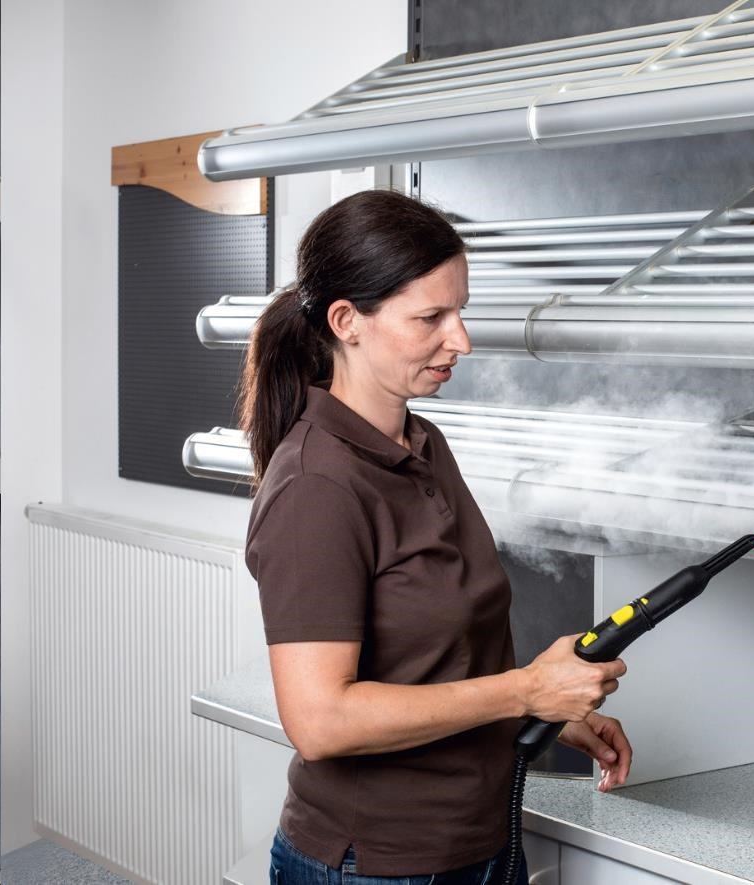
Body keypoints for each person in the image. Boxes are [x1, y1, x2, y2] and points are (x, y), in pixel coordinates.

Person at [240, 189, 632, 884]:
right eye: (430, 318)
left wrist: (543, 713)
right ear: (346, 321)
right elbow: (321, 720)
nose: (461, 340)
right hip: (376, 865)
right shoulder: (316, 486)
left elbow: (432, 661)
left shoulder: (422, 442)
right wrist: (524, 691)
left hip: (480, 839)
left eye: (460, 311)